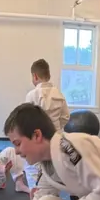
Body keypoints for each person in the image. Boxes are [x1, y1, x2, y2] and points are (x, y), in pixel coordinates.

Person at [21, 59, 70, 191]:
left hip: (38, 140)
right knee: (54, 170)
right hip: (56, 139)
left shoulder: (31, 95)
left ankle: (36, 193)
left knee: (33, 170)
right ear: (48, 74)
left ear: (35, 76)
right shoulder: (59, 95)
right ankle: (51, 195)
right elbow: (65, 117)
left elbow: (26, 120)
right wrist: (56, 128)